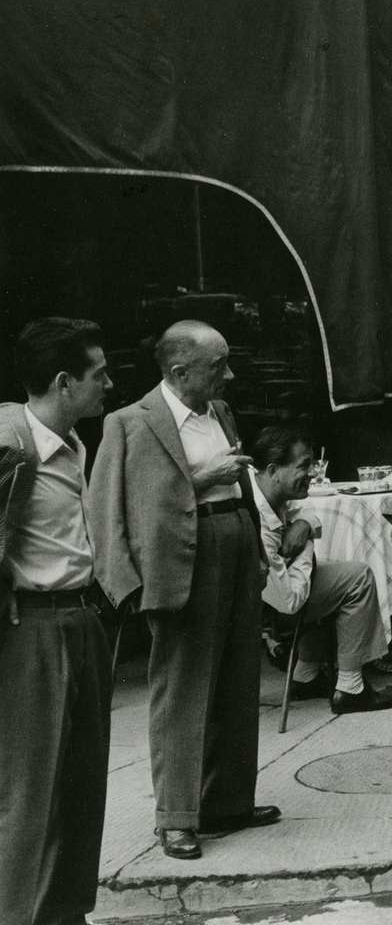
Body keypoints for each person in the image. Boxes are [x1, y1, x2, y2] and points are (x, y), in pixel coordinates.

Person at [90, 320, 276, 860]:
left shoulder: (220, 411)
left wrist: (257, 549)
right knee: (182, 690)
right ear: (179, 371)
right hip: (180, 561)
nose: (229, 375)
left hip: (234, 544)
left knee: (237, 679)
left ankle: (228, 803)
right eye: (218, 366)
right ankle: (175, 817)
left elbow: (241, 485)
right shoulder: (129, 423)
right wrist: (123, 585)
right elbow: (109, 508)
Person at [0, 318, 113, 925]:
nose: (109, 385)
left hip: (81, 621)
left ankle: (67, 915)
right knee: (30, 796)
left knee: (80, 789)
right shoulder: (10, 441)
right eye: (100, 374)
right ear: (65, 382)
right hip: (33, 632)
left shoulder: (71, 444)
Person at [247, 425, 392, 715]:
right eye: (304, 465)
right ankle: (351, 688)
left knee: (331, 574)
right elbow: (290, 602)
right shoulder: (260, 519)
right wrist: (305, 545)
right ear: (274, 470)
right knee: (358, 578)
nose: (314, 473)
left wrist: (304, 524)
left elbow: (304, 515)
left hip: (271, 596)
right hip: (268, 611)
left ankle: (305, 675)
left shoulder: (268, 492)